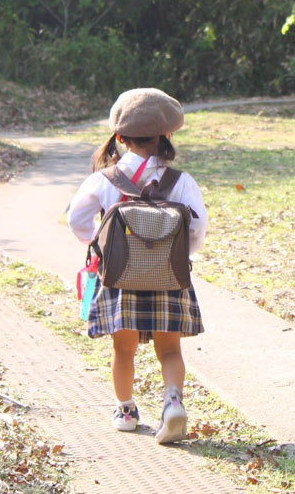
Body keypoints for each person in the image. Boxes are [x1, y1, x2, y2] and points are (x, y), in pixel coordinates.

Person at [67, 88, 208, 444]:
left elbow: (77, 218)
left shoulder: (104, 179)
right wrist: (181, 257)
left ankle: (126, 409)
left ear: (119, 138)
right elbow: (198, 227)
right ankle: (173, 400)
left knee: (123, 349)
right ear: (167, 136)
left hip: (119, 277)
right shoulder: (181, 182)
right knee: (171, 350)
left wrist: (96, 244)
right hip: (169, 278)